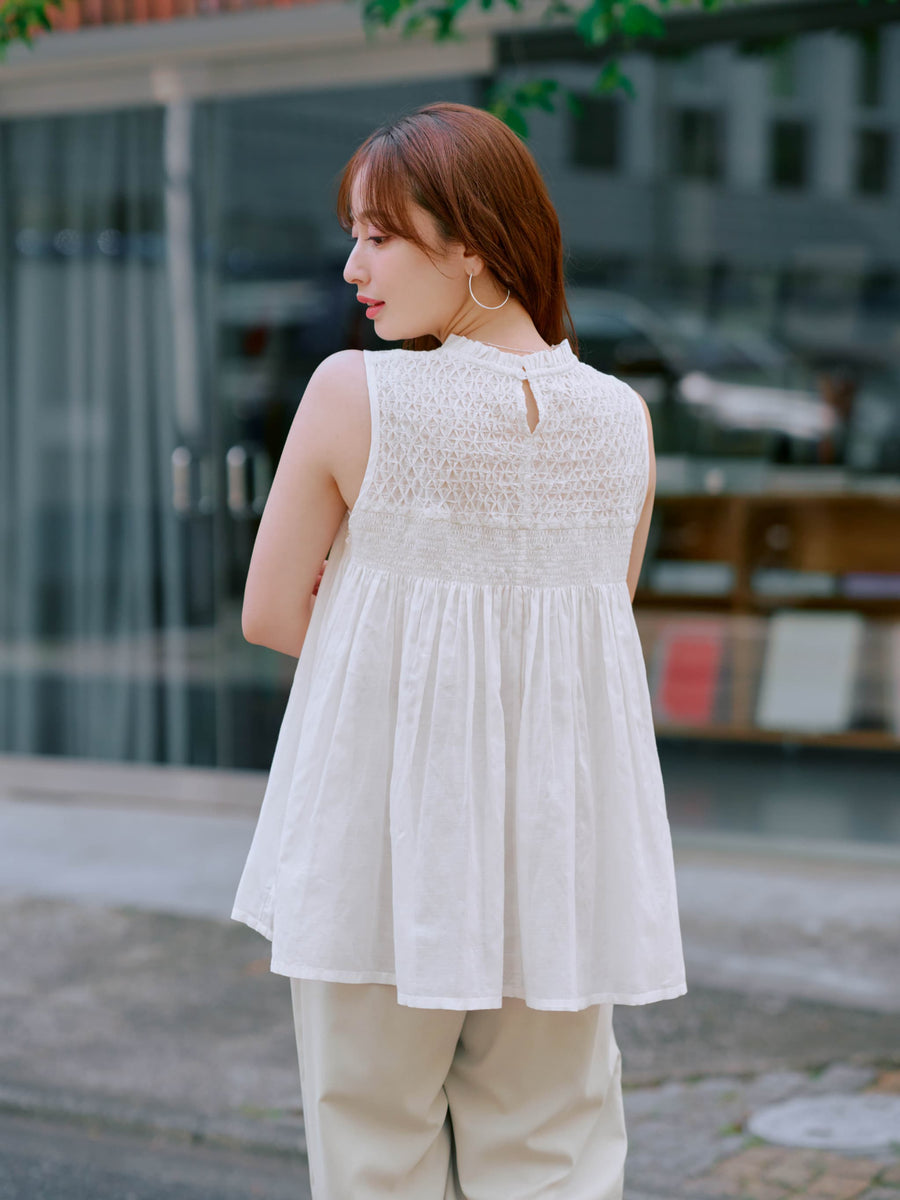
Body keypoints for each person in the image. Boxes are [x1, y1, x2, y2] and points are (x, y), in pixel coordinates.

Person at [232, 100, 687, 1200]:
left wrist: (373, 606)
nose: (353, 267)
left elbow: (273, 614)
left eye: (378, 236)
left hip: (382, 835)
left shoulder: (354, 394)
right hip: (558, 844)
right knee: (553, 1155)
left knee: (374, 1151)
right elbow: (594, 639)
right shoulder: (623, 419)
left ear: (474, 242)